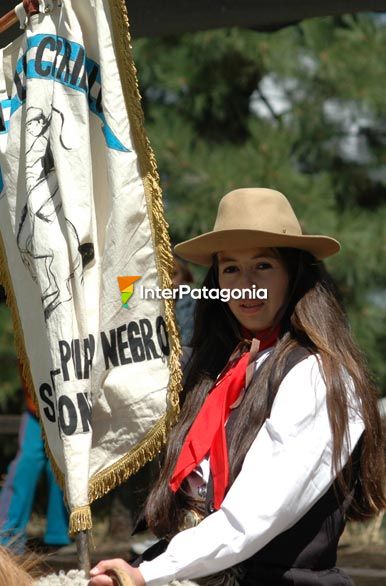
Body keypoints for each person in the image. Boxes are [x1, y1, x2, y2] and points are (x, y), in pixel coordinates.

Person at [89, 188, 386, 586]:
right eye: (230, 269)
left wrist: (147, 574)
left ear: (294, 275)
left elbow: (254, 514)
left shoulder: (316, 375)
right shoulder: (215, 368)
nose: (244, 284)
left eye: (262, 265)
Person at [0, 369, 70, 552]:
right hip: (37, 408)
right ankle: (7, 537)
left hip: (70, 406)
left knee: (62, 467)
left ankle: (60, 535)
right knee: (25, 464)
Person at [172, 253, 196, 346]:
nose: (168, 280)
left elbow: (188, 340)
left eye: (174, 274)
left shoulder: (194, 302)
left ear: (184, 275)